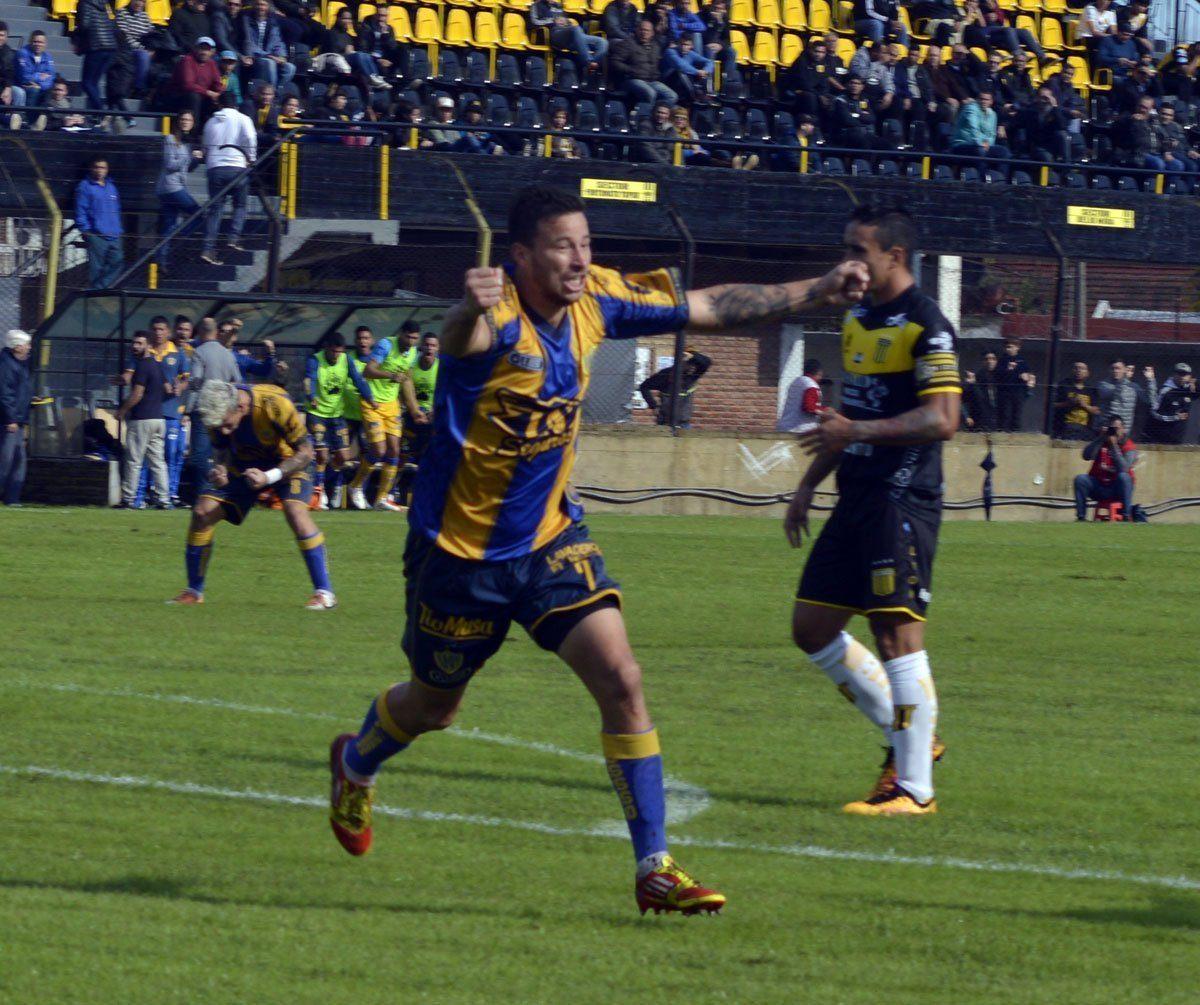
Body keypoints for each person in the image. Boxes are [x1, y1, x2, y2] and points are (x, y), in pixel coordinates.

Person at [326, 183, 867, 913]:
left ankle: (655, 867)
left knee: (622, 678)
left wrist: (818, 289)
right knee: (433, 707)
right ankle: (357, 762)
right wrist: (465, 308)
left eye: (586, 243)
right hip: (458, 556)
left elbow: (708, 305)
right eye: (563, 246)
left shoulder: (598, 298)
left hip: (551, 541)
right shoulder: (495, 317)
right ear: (521, 256)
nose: (581, 259)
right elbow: (460, 341)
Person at [787, 205, 957, 817]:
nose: (848, 263)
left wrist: (855, 431)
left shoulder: (927, 324)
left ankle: (913, 790)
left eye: (859, 251)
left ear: (895, 256)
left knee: (896, 634)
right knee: (811, 627)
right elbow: (849, 419)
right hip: (856, 494)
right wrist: (808, 485)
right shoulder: (857, 318)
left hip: (901, 498)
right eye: (846, 250)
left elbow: (943, 419)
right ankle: (914, 738)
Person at [169, 380, 337, 609]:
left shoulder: (274, 404)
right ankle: (194, 592)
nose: (223, 430)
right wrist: (220, 469)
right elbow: (221, 450)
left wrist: (269, 477)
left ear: (240, 407)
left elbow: (306, 452)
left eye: (227, 425)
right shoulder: (217, 411)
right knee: (202, 512)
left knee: (295, 511)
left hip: (289, 463)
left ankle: (324, 593)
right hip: (245, 465)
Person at [303, 330, 375, 510]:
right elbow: (310, 380)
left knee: (343, 456)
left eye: (339, 352)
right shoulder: (315, 360)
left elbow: (358, 380)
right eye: (333, 351)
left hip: (336, 415)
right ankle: (319, 491)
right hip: (317, 413)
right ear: (327, 348)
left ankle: (329, 482)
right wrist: (311, 395)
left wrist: (369, 397)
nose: (336, 355)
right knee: (322, 455)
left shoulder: (346, 360)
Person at [348, 323, 414, 510]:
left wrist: (414, 408)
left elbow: (407, 380)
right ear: (401, 334)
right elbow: (368, 371)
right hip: (372, 403)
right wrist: (390, 375)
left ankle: (382, 498)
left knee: (394, 450)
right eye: (409, 337)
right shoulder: (386, 345)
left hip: (392, 405)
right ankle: (355, 486)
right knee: (379, 450)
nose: (411, 341)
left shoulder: (412, 353)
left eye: (415, 338)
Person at [184, 316, 241, 499]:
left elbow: (195, 382)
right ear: (216, 332)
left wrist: (187, 409)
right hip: (225, 411)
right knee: (220, 454)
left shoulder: (199, 353)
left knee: (199, 455)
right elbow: (238, 381)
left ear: (200, 332)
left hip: (204, 410)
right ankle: (221, 491)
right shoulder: (228, 354)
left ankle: (204, 493)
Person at [115, 331, 170, 510]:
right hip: (158, 419)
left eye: (140, 343)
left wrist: (122, 410)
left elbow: (137, 394)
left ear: (148, 345)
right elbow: (168, 388)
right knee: (158, 462)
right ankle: (164, 499)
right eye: (134, 343)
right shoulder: (157, 365)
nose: (135, 346)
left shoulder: (143, 366)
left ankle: (128, 499)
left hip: (142, 419)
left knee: (134, 460)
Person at [201, 91, 256, 266]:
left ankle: (208, 249)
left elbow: (205, 147)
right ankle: (233, 238)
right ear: (236, 104)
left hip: (215, 168)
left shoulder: (210, 122)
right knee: (240, 205)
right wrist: (251, 158)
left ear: (219, 104)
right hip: (237, 167)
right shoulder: (243, 119)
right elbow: (250, 138)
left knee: (215, 209)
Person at [156, 110, 205, 275]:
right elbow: (170, 164)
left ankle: (161, 261)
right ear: (178, 121)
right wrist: (190, 157)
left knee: (169, 225)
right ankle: (181, 235)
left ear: (193, 123)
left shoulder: (187, 143)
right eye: (183, 119)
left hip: (174, 187)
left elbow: (187, 168)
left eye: (189, 120)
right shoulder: (170, 139)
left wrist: (197, 159)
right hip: (171, 187)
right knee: (199, 215)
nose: (185, 122)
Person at [395, 332, 439, 507]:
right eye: (427, 344)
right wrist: (412, 410)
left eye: (433, 345)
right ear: (421, 347)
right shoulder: (411, 367)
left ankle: (427, 494)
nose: (429, 348)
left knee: (430, 457)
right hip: (412, 418)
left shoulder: (441, 368)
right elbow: (404, 392)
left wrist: (434, 411)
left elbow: (445, 392)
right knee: (402, 455)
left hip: (432, 420)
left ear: (437, 348)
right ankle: (391, 491)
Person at [1074, 415, 1136, 521]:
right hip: (1099, 486)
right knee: (1080, 479)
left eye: (1116, 429)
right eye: (1111, 429)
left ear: (1123, 429)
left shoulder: (1128, 446)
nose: (1114, 432)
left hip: (1117, 489)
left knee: (1124, 477)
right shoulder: (1102, 442)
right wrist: (1100, 438)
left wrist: (1114, 446)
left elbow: (1124, 469)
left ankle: (1126, 516)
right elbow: (1086, 456)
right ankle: (1081, 517)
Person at [75, 157, 124, 289]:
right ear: (92, 169)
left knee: (117, 262)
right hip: (96, 234)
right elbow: (81, 210)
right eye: (97, 167)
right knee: (96, 268)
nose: (99, 170)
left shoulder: (111, 187)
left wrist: (118, 228)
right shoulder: (85, 186)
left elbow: (117, 209)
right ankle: (96, 292)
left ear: (107, 170)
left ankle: (101, 288)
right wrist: (86, 231)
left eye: (102, 167)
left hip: (114, 234)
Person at [529, 0, 608, 76]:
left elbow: (566, 21)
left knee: (602, 42)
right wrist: (552, 21)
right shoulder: (536, 5)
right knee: (576, 28)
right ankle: (588, 62)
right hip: (555, 34)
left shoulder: (558, 5)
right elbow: (534, 22)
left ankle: (592, 64)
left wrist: (566, 22)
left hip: (570, 33)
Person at [639, 346, 712, 425]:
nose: (692, 366)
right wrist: (654, 406)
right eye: (689, 363)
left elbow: (707, 362)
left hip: (684, 423)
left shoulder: (692, 376)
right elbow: (644, 386)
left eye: (693, 363)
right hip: (665, 423)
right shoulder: (666, 374)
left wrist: (693, 355)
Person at [610, 19, 676, 107]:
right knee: (650, 93)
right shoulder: (627, 43)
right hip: (632, 80)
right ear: (637, 30)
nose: (644, 33)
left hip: (652, 81)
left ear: (652, 33)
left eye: (647, 30)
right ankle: (646, 114)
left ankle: (657, 111)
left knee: (672, 96)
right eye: (642, 30)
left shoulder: (655, 46)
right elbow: (615, 61)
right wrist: (630, 70)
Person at [0, 329, 32, 506]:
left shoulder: (20, 364)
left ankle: (12, 498)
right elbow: (5, 394)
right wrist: (10, 418)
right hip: (8, 421)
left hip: (18, 419)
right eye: (26, 344)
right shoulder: (6, 365)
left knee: (19, 459)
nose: (29, 347)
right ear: (17, 347)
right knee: (6, 459)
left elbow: (20, 392)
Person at [237, 0, 295, 90]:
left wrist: (282, 56)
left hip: (270, 56)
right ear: (254, 6)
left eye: (263, 5)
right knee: (270, 63)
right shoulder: (247, 20)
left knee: (290, 68)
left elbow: (277, 41)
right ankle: (271, 93)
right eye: (258, 4)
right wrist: (269, 56)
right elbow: (249, 43)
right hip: (254, 56)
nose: (260, 7)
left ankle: (276, 91)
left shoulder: (272, 22)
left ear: (268, 7)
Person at [167, 37, 225, 121]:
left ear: (212, 52)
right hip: (181, 97)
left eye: (207, 49)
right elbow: (188, 85)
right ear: (195, 49)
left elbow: (217, 84)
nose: (204, 52)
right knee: (194, 96)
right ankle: (194, 127)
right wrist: (208, 92)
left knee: (223, 99)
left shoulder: (211, 63)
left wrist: (219, 94)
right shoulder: (187, 60)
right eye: (201, 48)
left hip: (203, 97)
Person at [949, 90, 1011, 168]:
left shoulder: (992, 114)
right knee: (980, 151)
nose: (983, 101)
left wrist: (987, 144)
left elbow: (992, 135)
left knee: (1004, 152)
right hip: (962, 144)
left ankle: (1001, 176)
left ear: (991, 102)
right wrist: (981, 143)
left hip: (982, 146)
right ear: (977, 99)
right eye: (981, 99)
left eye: (986, 100)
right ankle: (982, 176)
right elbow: (973, 129)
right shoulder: (971, 109)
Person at [77, 0, 118, 114]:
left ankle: (101, 112)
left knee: (86, 83)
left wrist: (75, 36)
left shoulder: (84, 3)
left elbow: (84, 25)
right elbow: (112, 24)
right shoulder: (103, 3)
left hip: (96, 46)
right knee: (93, 83)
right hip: (110, 47)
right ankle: (97, 115)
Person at [1096, 359, 1155, 432]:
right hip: (1107, 430)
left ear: (1124, 370)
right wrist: (1124, 380)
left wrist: (1150, 380)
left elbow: (1149, 401)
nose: (1115, 371)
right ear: (1109, 370)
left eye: (1118, 368)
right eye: (1112, 368)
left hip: (1124, 432)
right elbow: (1113, 394)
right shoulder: (1103, 385)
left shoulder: (1134, 386)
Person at [1145, 363, 1196, 444]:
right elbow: (1154, 412)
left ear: (1189, 376)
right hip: (1161, 437)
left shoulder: (1189, 390)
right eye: (1179, 374)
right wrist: (1174, 417)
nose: (1182, 377)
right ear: (1174, 374)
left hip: (1178, 438)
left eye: (1185, 374)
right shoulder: (1166, 391)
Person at [115, 0, 154, 94]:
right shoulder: (122, 13)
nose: (139, 4)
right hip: (126, 47)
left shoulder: (144, 15)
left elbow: (151, 33)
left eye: (142, 1)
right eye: (137, 0)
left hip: (142, 47)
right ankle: (138, 88)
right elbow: (124, 36)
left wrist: (151, 48)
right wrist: (143, 49)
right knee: (143, 56)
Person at [995, 339, 1035, 431]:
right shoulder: (1002, 360)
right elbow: (997, 375)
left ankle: (1015, 434)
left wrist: (1027, 377)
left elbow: (1030, 375)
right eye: (1006, 347)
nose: (1008, 349)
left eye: (1010, 347)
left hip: (1018, 392)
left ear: (1017, 347)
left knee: (1016, 415)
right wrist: (1008, 370)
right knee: (1005, 415)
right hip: (1005, 393)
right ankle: (1003, 433)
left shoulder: (1022, 361)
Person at [1053, 361, 1099, 440]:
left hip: (1084, 429)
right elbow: (1052, 405)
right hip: (1065, 427)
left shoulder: (1091, 389)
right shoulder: (1063, 385)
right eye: (1076, 368)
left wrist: (1084, 405)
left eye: (1082, 369)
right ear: (1072, 371)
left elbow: (1096, 411)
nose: (1079, 370)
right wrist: (1068, 403)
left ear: (1087, 373)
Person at [778, 358, 824, 432]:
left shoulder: (796, 381)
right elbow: (809, 408)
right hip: (801, 429)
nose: (820, 378)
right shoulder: (811, 385)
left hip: (785, 426)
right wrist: (826, 412)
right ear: (818, 372)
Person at [16, 32, 55, 106]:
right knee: (34, 90)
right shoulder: (22, 53)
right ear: (30, 42)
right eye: (35, 42)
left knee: (50, 89)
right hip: (21, 85)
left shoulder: (48, 56)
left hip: (39, 86)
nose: (38, 44)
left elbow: (51, 76)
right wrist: (40, 76)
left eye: (41, 42)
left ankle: (43, 113)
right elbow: (25, 77)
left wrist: (40, 86)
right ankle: (29, 113)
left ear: (45, 44)